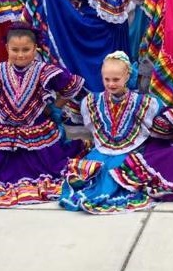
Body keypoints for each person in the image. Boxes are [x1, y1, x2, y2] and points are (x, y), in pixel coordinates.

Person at [0, 23, 85, 207]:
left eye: (26, 49)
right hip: (5, 133)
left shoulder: (44, 70)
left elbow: (71, 86)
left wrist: (55, 108)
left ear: (35, 48)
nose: (20, 55)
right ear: (6, 48)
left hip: (36, 131)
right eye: (15, 50)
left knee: (48, 168)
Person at [60, 52, 160, 214]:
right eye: (107, 79)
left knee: (116, 173)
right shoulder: (92, 101)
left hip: (129, 150)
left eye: (116, 79)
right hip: (101, 150)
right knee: (91, 171)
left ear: (127, 76)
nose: (111, 84)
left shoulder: (143, 102)